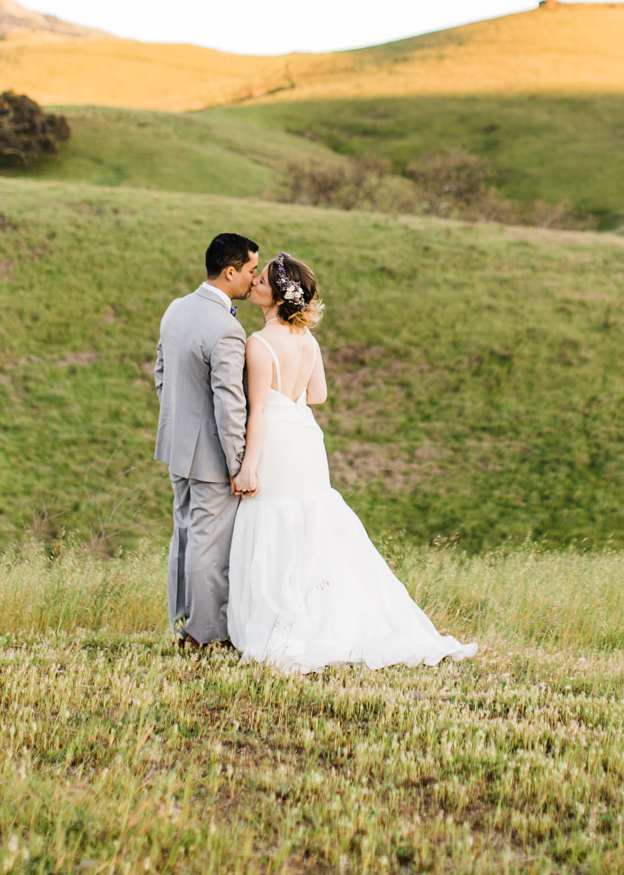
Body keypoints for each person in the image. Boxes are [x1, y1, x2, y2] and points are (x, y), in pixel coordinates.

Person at [227, 251, 477, 673]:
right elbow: (319, 395)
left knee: (273, 520)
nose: (255, 285)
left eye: (263, 282)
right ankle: (327, 615)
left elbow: (259, 412)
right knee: (310, 522)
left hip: (278, 442)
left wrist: (248, 466)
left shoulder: (259, 343)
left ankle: (284, 620)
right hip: (306, 439)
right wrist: (292, 391)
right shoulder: (308, 341)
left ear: (279, 296)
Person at [154, 233, 258, 646]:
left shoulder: (176, 308)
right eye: (251, 271)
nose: (254, 279)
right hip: (212, 457)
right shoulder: (228, 329)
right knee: (206, 547)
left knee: (184, 534)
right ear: (230, 272)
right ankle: (207, 635)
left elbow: (161, 370)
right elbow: (229, 405)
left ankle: (182, 625)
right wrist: (239, 464)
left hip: (177, 445)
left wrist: (179, 416)